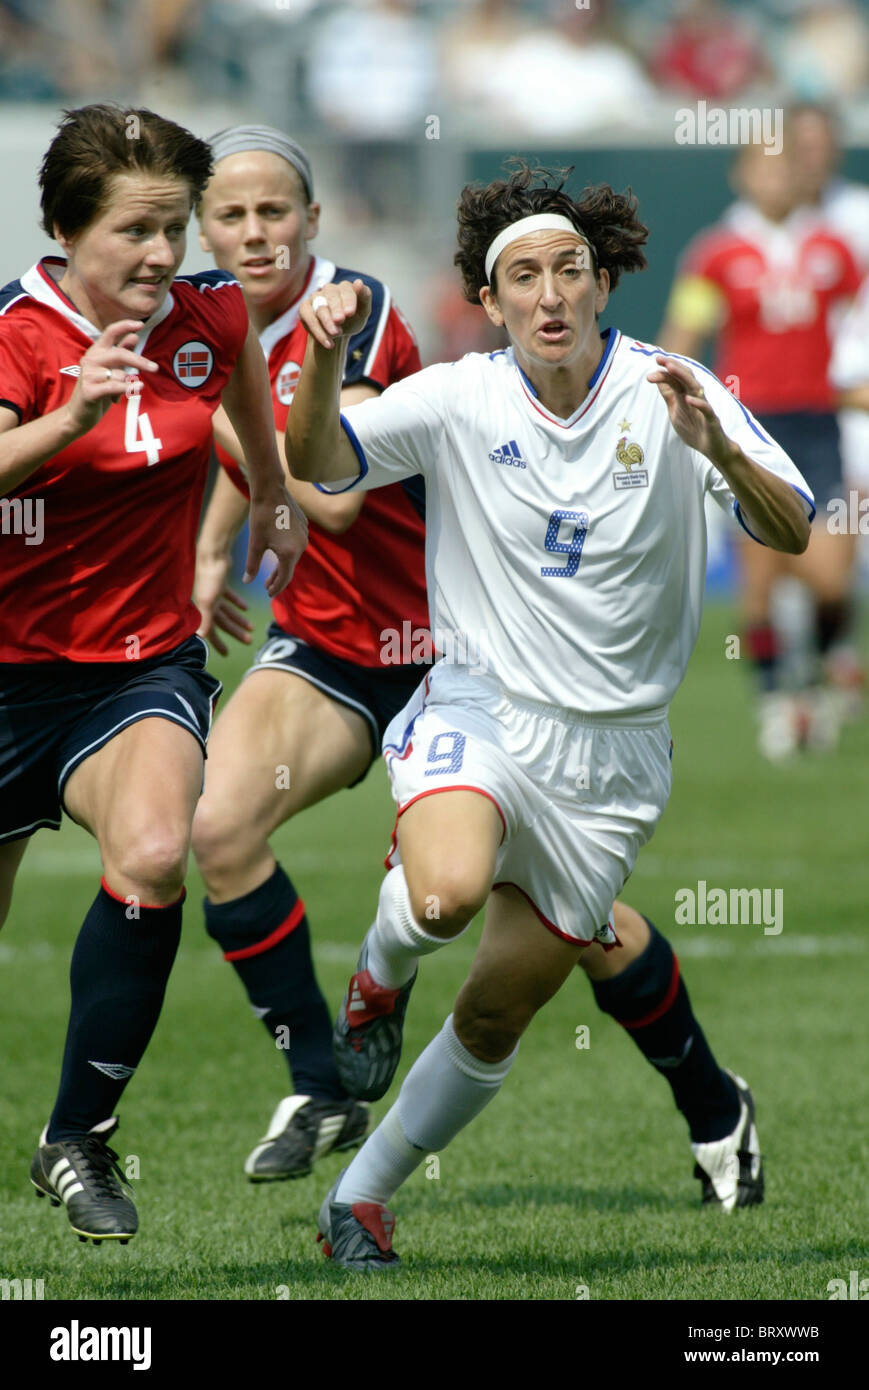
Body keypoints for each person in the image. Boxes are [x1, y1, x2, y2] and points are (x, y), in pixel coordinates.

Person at [284, 162, 812, 1270]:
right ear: (489, 300)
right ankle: (377, 976)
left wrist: (714, 450)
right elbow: (318, 463)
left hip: (612, 762)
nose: (549, 294)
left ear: (603, 282)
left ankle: (360, 1197)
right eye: (521, 275)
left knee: (492, 1016)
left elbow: (793, 526)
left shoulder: (675, 390)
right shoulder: (458, 395)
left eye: (568, 268)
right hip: (483, 703)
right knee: (440, 895)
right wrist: (325, 358)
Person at [0, 103, 306, 1245]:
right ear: (66, 230)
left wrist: (269, 496)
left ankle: (77, 1136)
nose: (164, 254)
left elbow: (237, 389)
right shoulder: (17, 337)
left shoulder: (207, 315)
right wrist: (64, 418)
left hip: (135, 668)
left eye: (175, 227)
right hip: (4, 674)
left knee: (150, 853)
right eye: (137, 229)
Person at [190, 125, 427, 1182]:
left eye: (272, 211)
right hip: (327, 648)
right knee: (218, 825)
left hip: (448, 651)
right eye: (229, 214)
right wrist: (207, 554)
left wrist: (209, 404)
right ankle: (318, 1086)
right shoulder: (202, 317)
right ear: (204, 227)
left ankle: (710, 1102)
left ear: (313, 221)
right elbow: (253, 459)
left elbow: (327, 494)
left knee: (553, 913)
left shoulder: (352, 311)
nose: (252, 232)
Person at [659, 139, 860, 758]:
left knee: (830, 577)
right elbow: (684, 330)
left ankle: (825, 677)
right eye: (763, 167)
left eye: (786, 166)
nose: (776, 178)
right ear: (740, 175)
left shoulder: (836, 250)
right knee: (761, 576)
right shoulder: (718, 254)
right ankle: (775, 701)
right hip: (752, 425)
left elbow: (856, 325)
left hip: (820, 424)